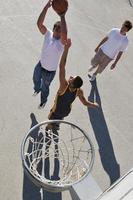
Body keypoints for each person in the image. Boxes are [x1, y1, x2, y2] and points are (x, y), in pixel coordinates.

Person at [46, 38, 99, 133]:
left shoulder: (64, 86)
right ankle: (57, 125)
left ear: (70, 83)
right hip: (65, 112)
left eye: (71, 78)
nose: (70, 76)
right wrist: (94, 105)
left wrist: (66, 49)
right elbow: (85, 103)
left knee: (50, 122)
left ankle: (49, 127)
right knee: (60, 118)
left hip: (56, 111)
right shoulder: (79, 91)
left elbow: (62, 66)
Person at [33, 0, 68, 108]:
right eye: (56, 29)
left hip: (49, 72)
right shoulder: (48, 33)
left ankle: (43, 101)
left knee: (45, 88)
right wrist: (46, 8)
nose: (58, 32)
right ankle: (36, 89)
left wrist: (62, 16)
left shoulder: (61, 43)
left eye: (60, 30)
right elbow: (39, 24)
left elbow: (65, 34)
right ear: (53, 29)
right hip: (40, 64)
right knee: (35, 79)